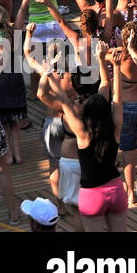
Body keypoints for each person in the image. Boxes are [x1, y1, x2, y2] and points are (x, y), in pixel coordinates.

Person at [50, 52, 127, 232]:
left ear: (87, 116)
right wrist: (116, 67)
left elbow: (63, 100)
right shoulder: (115, 128)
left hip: (92, 195)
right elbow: (117, 99)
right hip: (116, 189)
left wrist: (50, 74)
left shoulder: (83, 135)